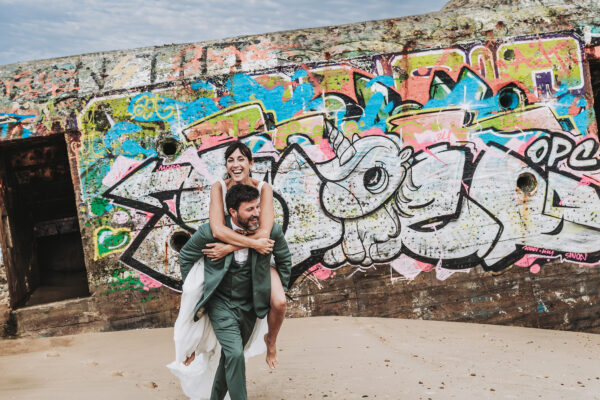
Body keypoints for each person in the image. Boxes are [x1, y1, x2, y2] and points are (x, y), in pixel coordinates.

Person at [178, 184, 291, 400]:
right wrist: (194, 290)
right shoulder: (210, 232)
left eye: (258, 207)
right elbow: (185, 256)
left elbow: (284, 260)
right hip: (221, 303)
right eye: (250, 209)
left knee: (230, 357)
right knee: (236, 354)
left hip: (251, 305)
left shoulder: (269, 230)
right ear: (233, 212)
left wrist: (278, 288)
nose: (257, 213)